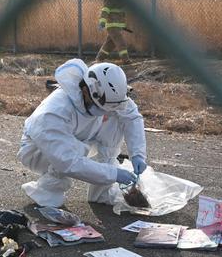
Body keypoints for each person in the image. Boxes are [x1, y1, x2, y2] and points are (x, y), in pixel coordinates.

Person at [18, 59, 147, 209]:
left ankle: (101, 193)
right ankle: (46, 191)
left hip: (81, 137)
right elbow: (68, 161)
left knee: (116, 118)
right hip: (38, 151)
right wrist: (114, 174)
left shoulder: (104, 93)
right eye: (102, 107)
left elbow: (131, 116)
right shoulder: (53, 113)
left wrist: (138, 154)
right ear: (86, 91)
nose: (105, 113)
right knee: (72, 152)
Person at [95, 0, 129, 64]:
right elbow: (105, 11)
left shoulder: (122, 0)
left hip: (118, 27)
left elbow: (122, 15)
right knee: (121, 43)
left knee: (110, 44)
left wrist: (124, 26)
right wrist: (102, 23)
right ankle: (126, 59)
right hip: (112, 27)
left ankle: (100, 58)